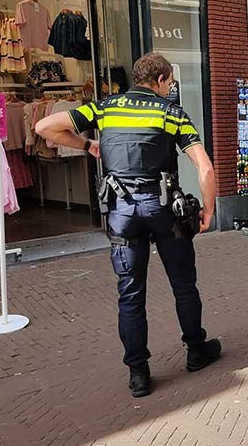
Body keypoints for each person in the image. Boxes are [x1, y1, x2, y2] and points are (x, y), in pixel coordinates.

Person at [36, 52, 221, 398]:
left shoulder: (103, 109)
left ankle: (138, 373)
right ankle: (196, 351)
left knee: (130, 295)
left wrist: (88, 144)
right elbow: (206, 169)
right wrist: (208, 211)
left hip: (121, 211)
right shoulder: (170, 113)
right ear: (162, 80)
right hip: (164, 209)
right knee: (183, 285)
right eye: (170, 83)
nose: (170, 89)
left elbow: (44, 127)